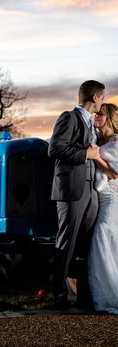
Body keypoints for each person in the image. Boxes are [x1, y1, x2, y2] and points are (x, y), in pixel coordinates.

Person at [48, 80, 105, 308]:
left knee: (85, 244)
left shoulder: (92, 122)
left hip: (91, 190)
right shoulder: (68, 117)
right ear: (94, 98)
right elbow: (55, 148)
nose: (103, 101)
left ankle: (82, 296)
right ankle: (59, 296)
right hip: (71, 189)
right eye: (102, 97)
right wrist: (85, 154)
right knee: (67, 242)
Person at [88, 103, 118, 314]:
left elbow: (115, 174)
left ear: (111, 118)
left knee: (103, 235)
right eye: (96, 113)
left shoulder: (116, 143)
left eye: (101, 114)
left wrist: (96, 156)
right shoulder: (99, 140)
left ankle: (110, 297)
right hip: (99, 198)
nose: (96, 116)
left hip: (113, 199)